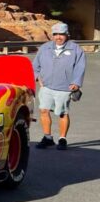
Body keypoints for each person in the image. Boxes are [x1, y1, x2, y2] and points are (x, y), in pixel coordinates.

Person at [32, 22, 86, 151]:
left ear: (67, 34)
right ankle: (47, 137)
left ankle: (62, 139)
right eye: (55, 34)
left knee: (62, 113)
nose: (58, 37)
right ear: (52, 35)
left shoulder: (76, 49)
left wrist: (76, 82)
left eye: (61, 34)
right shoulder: (45, 48)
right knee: (43, 111)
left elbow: (80, 67)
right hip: (46, 87)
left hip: (64, 87)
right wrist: (37, 76)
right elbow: (35, 65)